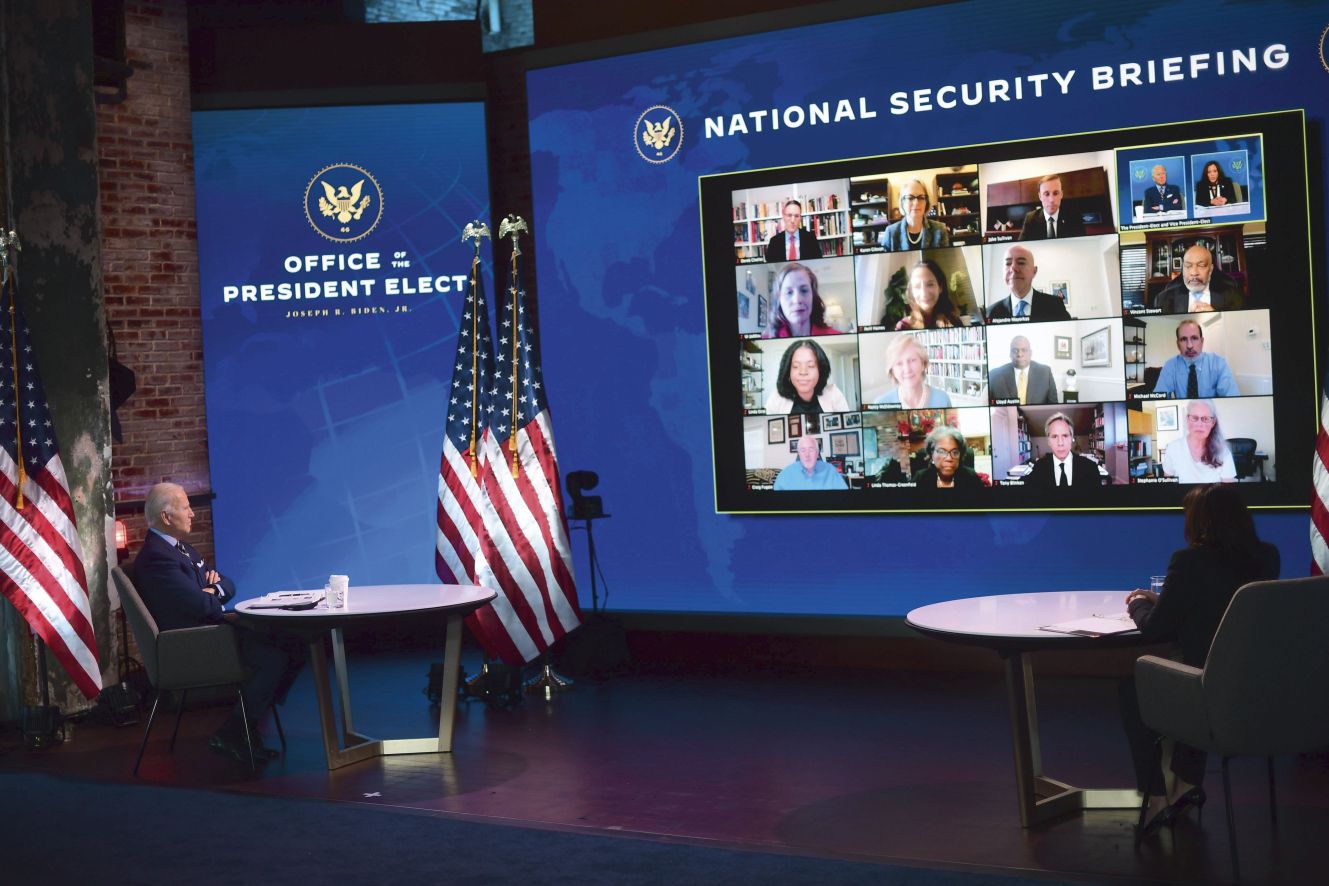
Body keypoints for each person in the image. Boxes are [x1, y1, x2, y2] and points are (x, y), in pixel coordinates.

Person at [1118, 484, 1280, 838]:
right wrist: (1168, 598)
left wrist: (1138, 605)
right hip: (1257, 696)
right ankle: (1187, 783)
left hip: (1205, 696)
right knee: (1199, 669)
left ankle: (1157, 798)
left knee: (1133, 690)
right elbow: (1219, 603)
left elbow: (1154, 630)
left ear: (1201, 522)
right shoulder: (1268, 557)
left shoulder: (1189, 562)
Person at [132, 482, 304, 764]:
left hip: (212, 634)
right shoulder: (157, 559)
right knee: (274, 658)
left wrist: (213, 589)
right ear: (166, 516)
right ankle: (236, 731)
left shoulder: (181, 550)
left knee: (294, 644)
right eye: (186, 508)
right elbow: (201, 606)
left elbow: (228, 584)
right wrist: (212, 593)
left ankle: (244, 728)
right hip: (195, 645)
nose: (192, 515)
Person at [1152, 319, 1239, 398]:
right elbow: (1158, 398)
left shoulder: (1219, 363)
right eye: (1183, 339)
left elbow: (1232, 399)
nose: (1189, 346)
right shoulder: (1170, 366)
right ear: (1178, 344)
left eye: (1194, 338)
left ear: (1202, 341)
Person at [763, 338, 851, 414]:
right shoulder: (776, 397)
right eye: (796, 366)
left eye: (811, 366)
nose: (803, 372)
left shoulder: (833, 393)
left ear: (820, 370)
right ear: (788, 371)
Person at [984, 245, 1072, 322]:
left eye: (1021, 263)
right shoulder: (990, 313)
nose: (1013, 268)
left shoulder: (1055, 306)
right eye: (1008, 263)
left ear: (1034, 271)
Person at [1161, 399, 1237, 482]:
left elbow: (1228, 490)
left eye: (1206, 418)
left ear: (1213, 422)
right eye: (1194, 418)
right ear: (1187, 419)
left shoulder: (1223, 451)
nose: (1199, 424)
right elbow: (1168, 487)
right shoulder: (1173, 448)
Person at [1154, 244, 1244, 313]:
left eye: (1201, 266)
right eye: (1188, 266)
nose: (1194, 273)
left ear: (1211, 269)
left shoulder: (1233, 296)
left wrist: (1216, 317)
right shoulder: (1163, 299)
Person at [1023, 412, 1103, 488]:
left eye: (1065, 436)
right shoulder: (1038, 469)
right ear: (1048, 441)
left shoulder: (1090, 468)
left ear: (1072, 438)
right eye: (1054, 436)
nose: (1060, 443)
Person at [763, 262, 840, 338]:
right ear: (779, 299)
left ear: (813, 295)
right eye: (789, 292)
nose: (797, 300)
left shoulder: (836, 337)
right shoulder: (766, 338)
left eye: (804, 290)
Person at [873, 334, 951, 408]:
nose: (907, 369)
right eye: (899, 363)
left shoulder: (943, 399)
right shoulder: (880, 403)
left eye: (912, 360)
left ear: (923, 364)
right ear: (892, 371)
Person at [877, 179, 951, 251]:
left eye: (921, 197)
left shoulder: (940, 229)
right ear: (902, 202)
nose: (916, 203)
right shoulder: (890, 232)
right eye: (910, 198)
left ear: (927, 202)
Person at [890, 259, 963, 330]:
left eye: (930, 284)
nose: (924, 293)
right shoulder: (903, 326)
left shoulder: (954, 322)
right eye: (917, 286)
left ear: (940, 287)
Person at [988, 336, 1058, 405]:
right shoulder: (994, 375)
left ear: (1030, 353)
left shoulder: (1045, 373)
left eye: (1024, 350)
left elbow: (1054, 406)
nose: (1019, 354)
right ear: (1010, 354)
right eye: (1015, 350)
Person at [911, 426, 985, 489]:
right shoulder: (920, 478)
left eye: (955, 452)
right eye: (941, 452)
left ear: (960, 455)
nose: (949, 458)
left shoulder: (971, 477)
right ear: (932, 454)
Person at [1018, 174, 1086, 241]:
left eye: (1056, 193)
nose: (1051, 200)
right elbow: (1022, 246)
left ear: (1061, 194)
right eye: (1046, 194)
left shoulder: (1074, 217)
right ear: (1040, 196)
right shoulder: (1030, 219)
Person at [773, 434, 848, 490]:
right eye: (803, 450)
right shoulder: (785, 474)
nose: (807, 455)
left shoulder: (830, 471)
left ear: (817, 453)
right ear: (798, 453)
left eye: (811, 450)